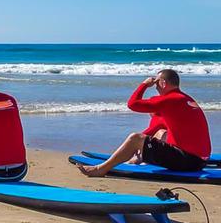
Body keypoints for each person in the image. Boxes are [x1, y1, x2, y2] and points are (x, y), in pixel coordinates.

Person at [78, 69, 211, 177]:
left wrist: (144, 84)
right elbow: (158, 127)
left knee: (135, 138)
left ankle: (100, 169)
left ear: (163, 83)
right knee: (160, 133)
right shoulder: (184, 99)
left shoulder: (170, 100)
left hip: (188, 161)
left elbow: (132, 104)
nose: (156, 86)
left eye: (157, 82)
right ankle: (135, 158)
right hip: (199, 161)